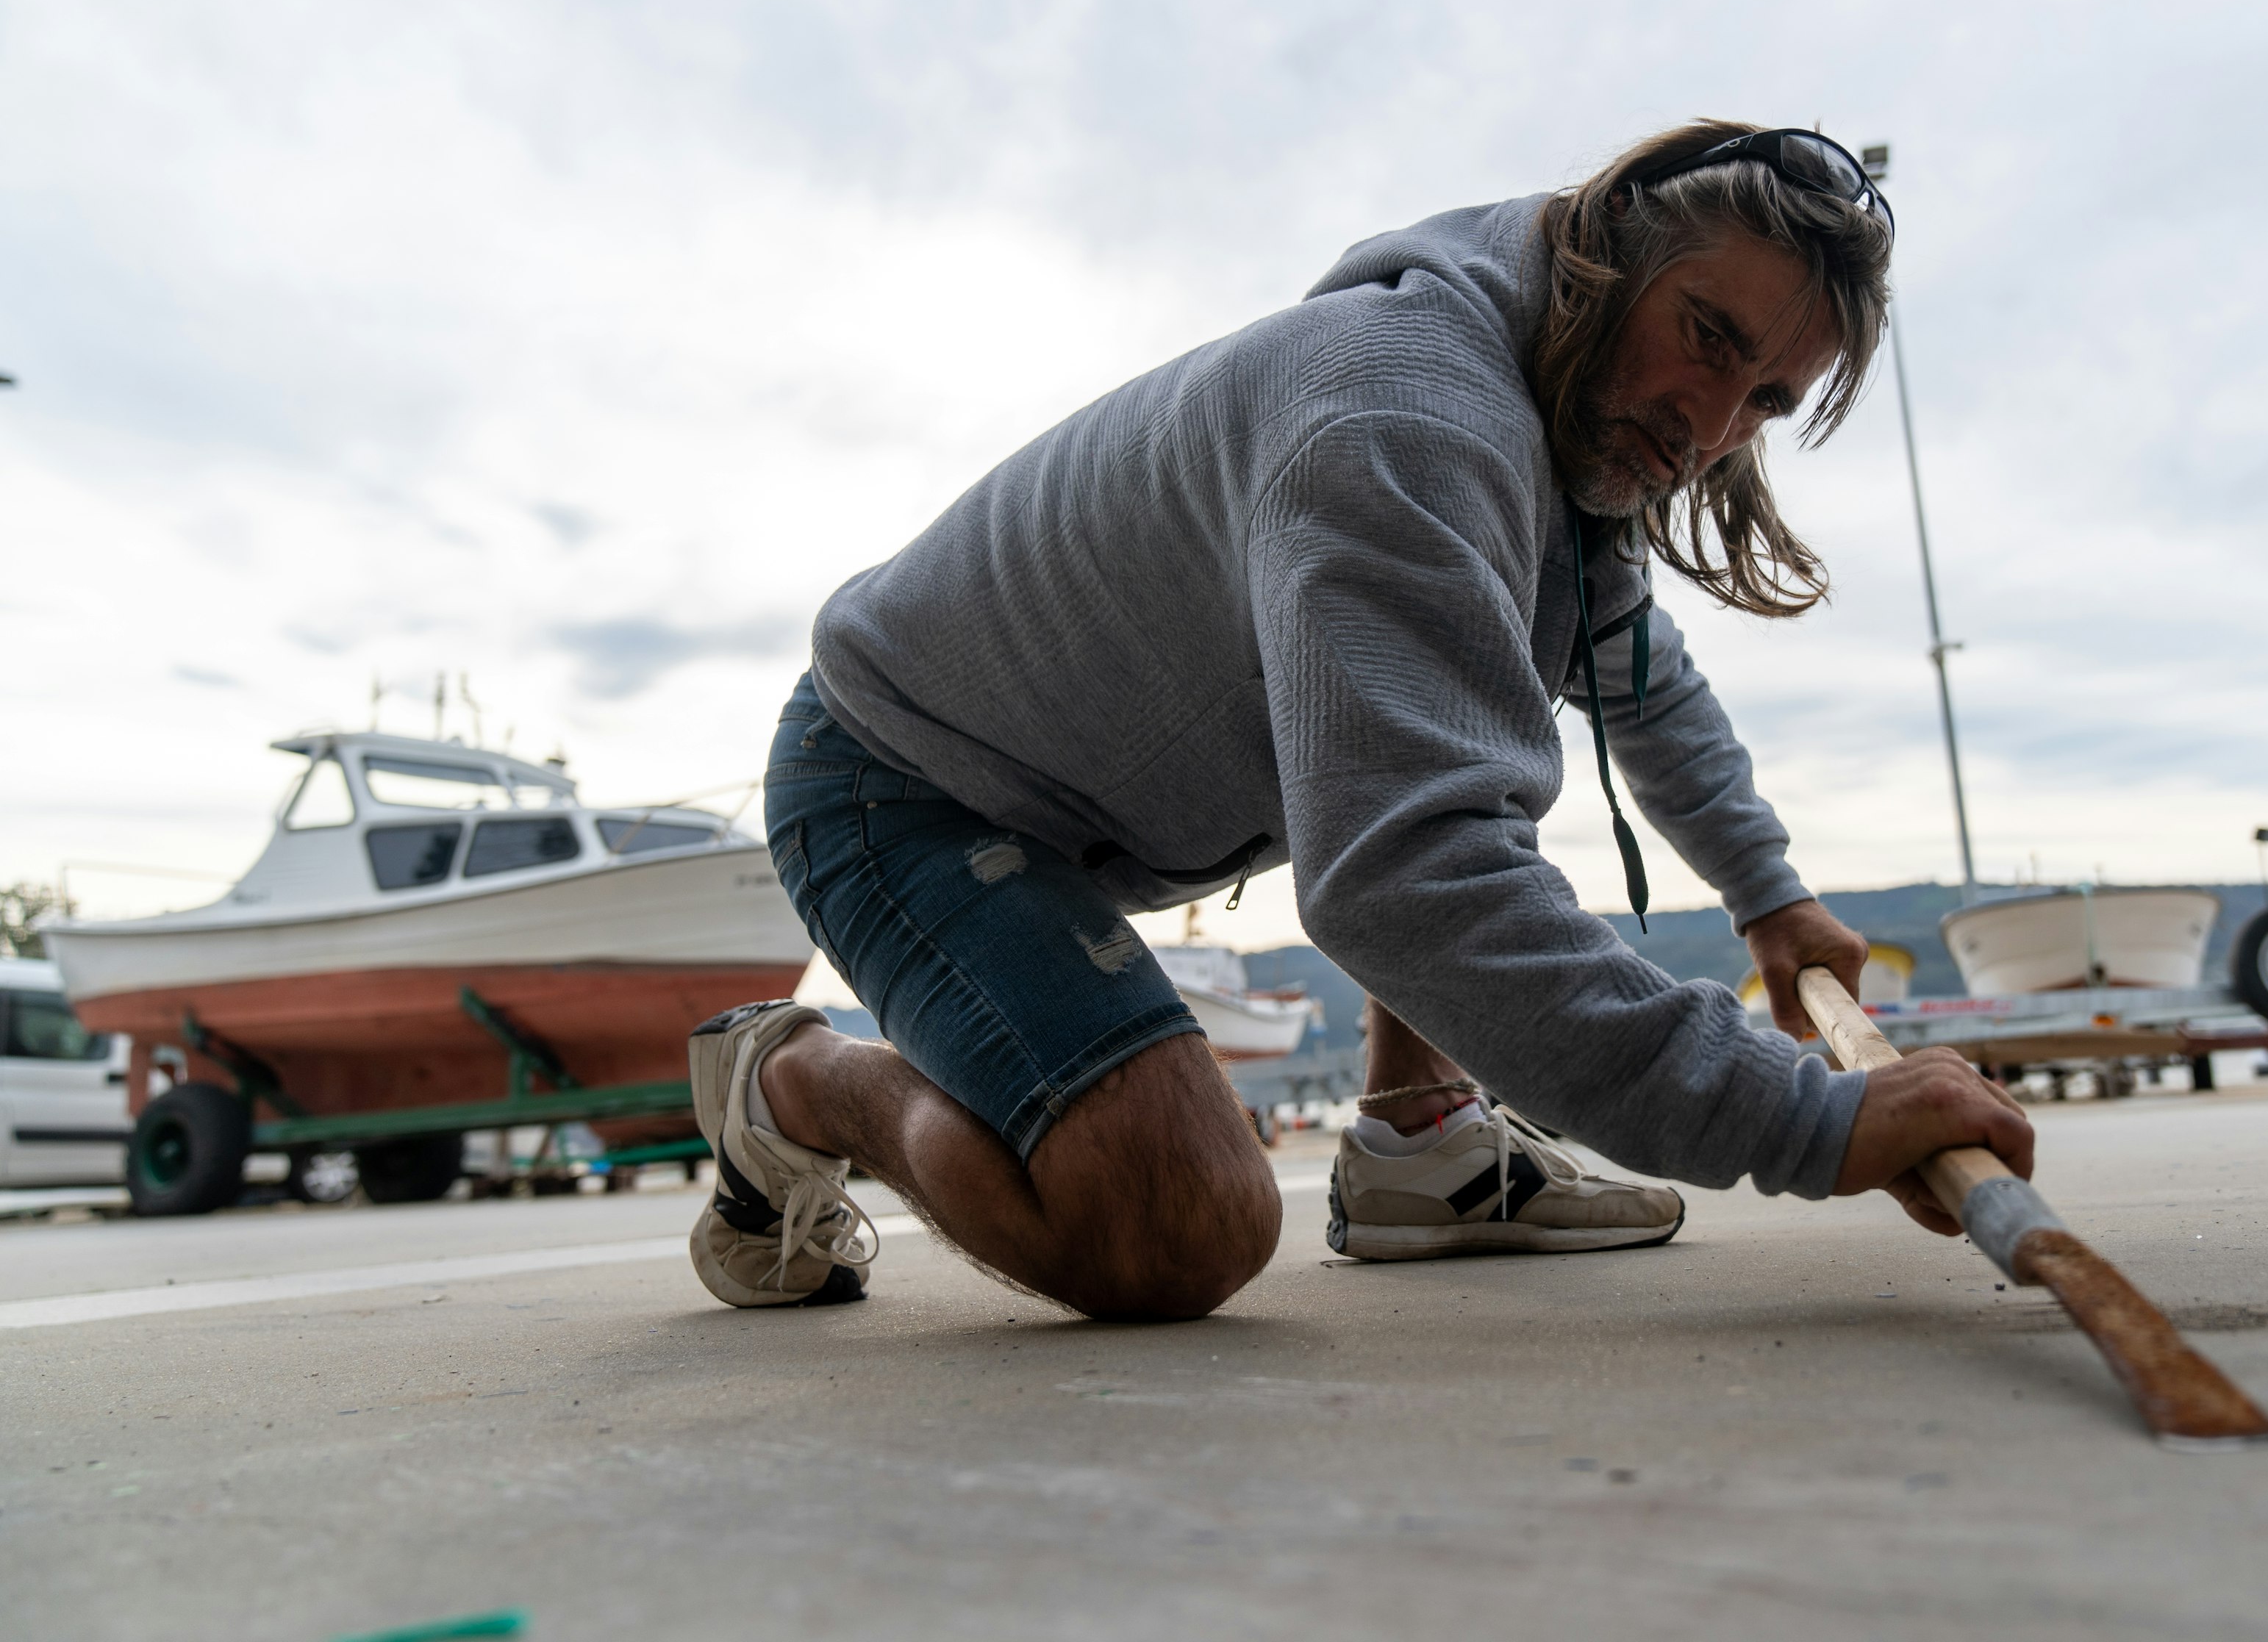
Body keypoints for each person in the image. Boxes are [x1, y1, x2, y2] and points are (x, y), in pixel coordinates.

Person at [684, 121, 2035, 1320]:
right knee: (1173, 1226)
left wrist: (1769, 899)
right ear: (1606, 253)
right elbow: (1406, 877)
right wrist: (1808, 1116)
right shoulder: (1400, 410)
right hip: (898, 781)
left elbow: (1639, 678)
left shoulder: (1565, 444)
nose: (1710, 427)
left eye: (1764, 405)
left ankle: (1420, 1139)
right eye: (1709, 338)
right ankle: (794, 1083)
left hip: (1076, 802)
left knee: (1442, 719)